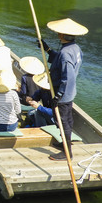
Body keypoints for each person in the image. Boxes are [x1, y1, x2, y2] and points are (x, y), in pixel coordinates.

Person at [38, 17, 88, 161]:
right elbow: (60, 60)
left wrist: (58, 95)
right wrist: (47, 49)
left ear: (61, 35)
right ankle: (66, 143)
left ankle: (67, 153)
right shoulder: (75, 48)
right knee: (68, 120)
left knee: (62, 121)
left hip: (63, 93)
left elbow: (68, 76)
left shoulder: (66, 53)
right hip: (70, 93)